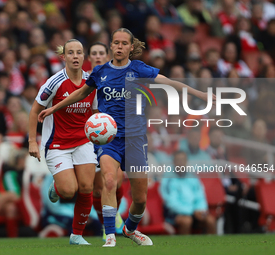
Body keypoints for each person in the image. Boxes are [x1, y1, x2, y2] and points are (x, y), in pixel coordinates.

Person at [38, 28, 213, 247]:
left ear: (131, 47)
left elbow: (168, 82)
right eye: (116, 43)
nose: (119, 47)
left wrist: (199, 94)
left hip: (136, 139)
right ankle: (110, 235)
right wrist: (54, 108)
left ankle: (129, 229)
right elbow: (80, 93)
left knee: (140, 199)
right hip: (109, 140)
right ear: (111, 46)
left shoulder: (139, 69)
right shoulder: (100, 72)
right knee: (109, 181)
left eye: (123, 43)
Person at [28, 39, 98, 245]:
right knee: (69, 190)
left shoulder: (91, 82)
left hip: (83, 141)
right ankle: (56, 188)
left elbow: (95, 112)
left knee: (86, 187)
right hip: (57, 143)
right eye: (71, 53)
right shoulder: (54, 82)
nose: (75, 56)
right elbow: (34, 110)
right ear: (64, 57)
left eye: (79, 53)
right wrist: (32, 141)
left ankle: (76, 236)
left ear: (83, 57)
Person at [87, 42, 125, 237]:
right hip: (89, 137)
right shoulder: (85, 80)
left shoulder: (116, 77)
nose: (98, 56)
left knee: (115, 181)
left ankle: (114, 213)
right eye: (94, 53)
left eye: (102, 53)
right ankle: (105, 225)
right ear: (90, 57)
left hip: (112, 136)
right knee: (96, 188)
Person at [160, 151, 216, 235]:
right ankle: (184, 247)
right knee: (186, 221)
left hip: (195, 211)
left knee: (210, 220)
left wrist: (200, 209)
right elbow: (171, 203)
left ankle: (213, 247)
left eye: (183, 160)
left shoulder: (193, 177)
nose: (181, 163)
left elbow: (200, 196)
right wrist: (192, 211)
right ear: (173, 162)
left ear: (186, 162)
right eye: (178, 160)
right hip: (175, 213)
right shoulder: (168, 179)